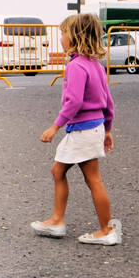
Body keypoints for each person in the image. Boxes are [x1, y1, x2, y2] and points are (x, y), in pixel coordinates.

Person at [33, 13, 120, 244]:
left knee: (92, 180)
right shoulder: (96, 66)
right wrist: (108, 130)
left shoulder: (76, 66)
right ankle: (57, 221)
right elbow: (108, 103)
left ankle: (106, 230)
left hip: (82, 130)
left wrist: (55, 127)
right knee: (58, 171)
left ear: (75, 36)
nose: (60, 37)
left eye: (63, 33)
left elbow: (74, 102)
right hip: (94, 128)